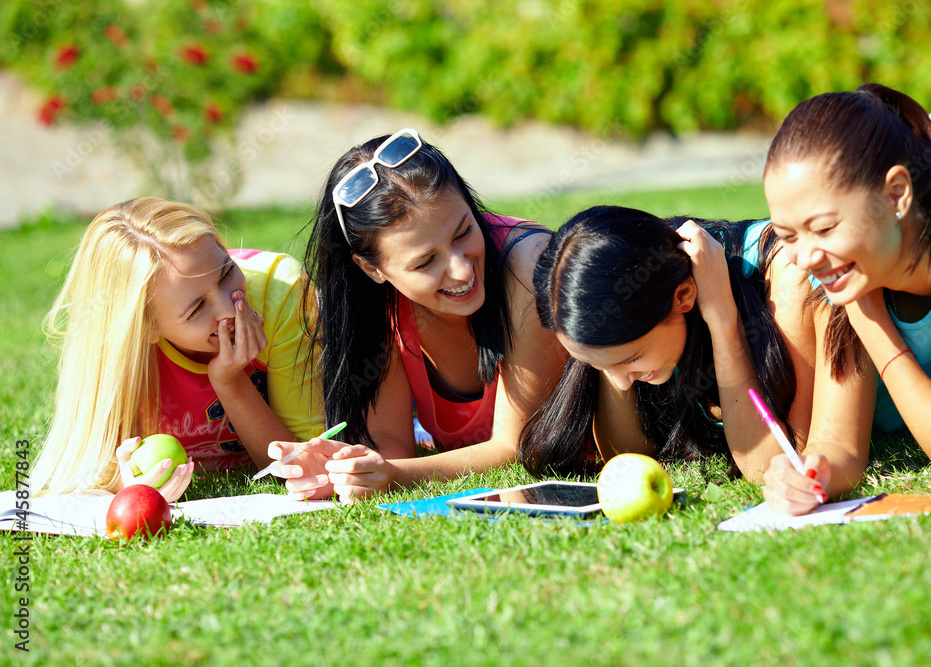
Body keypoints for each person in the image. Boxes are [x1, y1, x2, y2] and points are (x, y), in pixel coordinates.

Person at [269, 128, 566, 501]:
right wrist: (349, 467)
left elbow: (518, 450)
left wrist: (395, 476)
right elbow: (391, 444)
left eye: (463, 233)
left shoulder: (527, 266)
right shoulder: (381, 305)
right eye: (426, 261)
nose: (460, 269)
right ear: (371, 269)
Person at [761, 83, 931, 515]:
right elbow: (837, 442)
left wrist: (868, 315)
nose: (807, 257)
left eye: (824, 227)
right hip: (913, 212)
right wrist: (810, 473)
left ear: (895, 195)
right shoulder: (841, 268)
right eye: (787, 234)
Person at [30, 197, 324, 501]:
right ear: (145, 327)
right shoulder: (116, 345)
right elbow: (91, 467)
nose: (229, 309)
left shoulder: (283, 292)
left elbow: (302, 462)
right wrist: (124, 482)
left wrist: (230, 382)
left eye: (226, 273)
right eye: (197, 308)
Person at [519, 205, 822, 481]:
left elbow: (771, 465)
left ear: (683, 296)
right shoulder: (648, 289)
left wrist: (722, 320)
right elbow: (629, 456)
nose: (623, 386)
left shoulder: (788, 274)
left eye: (630, 358)